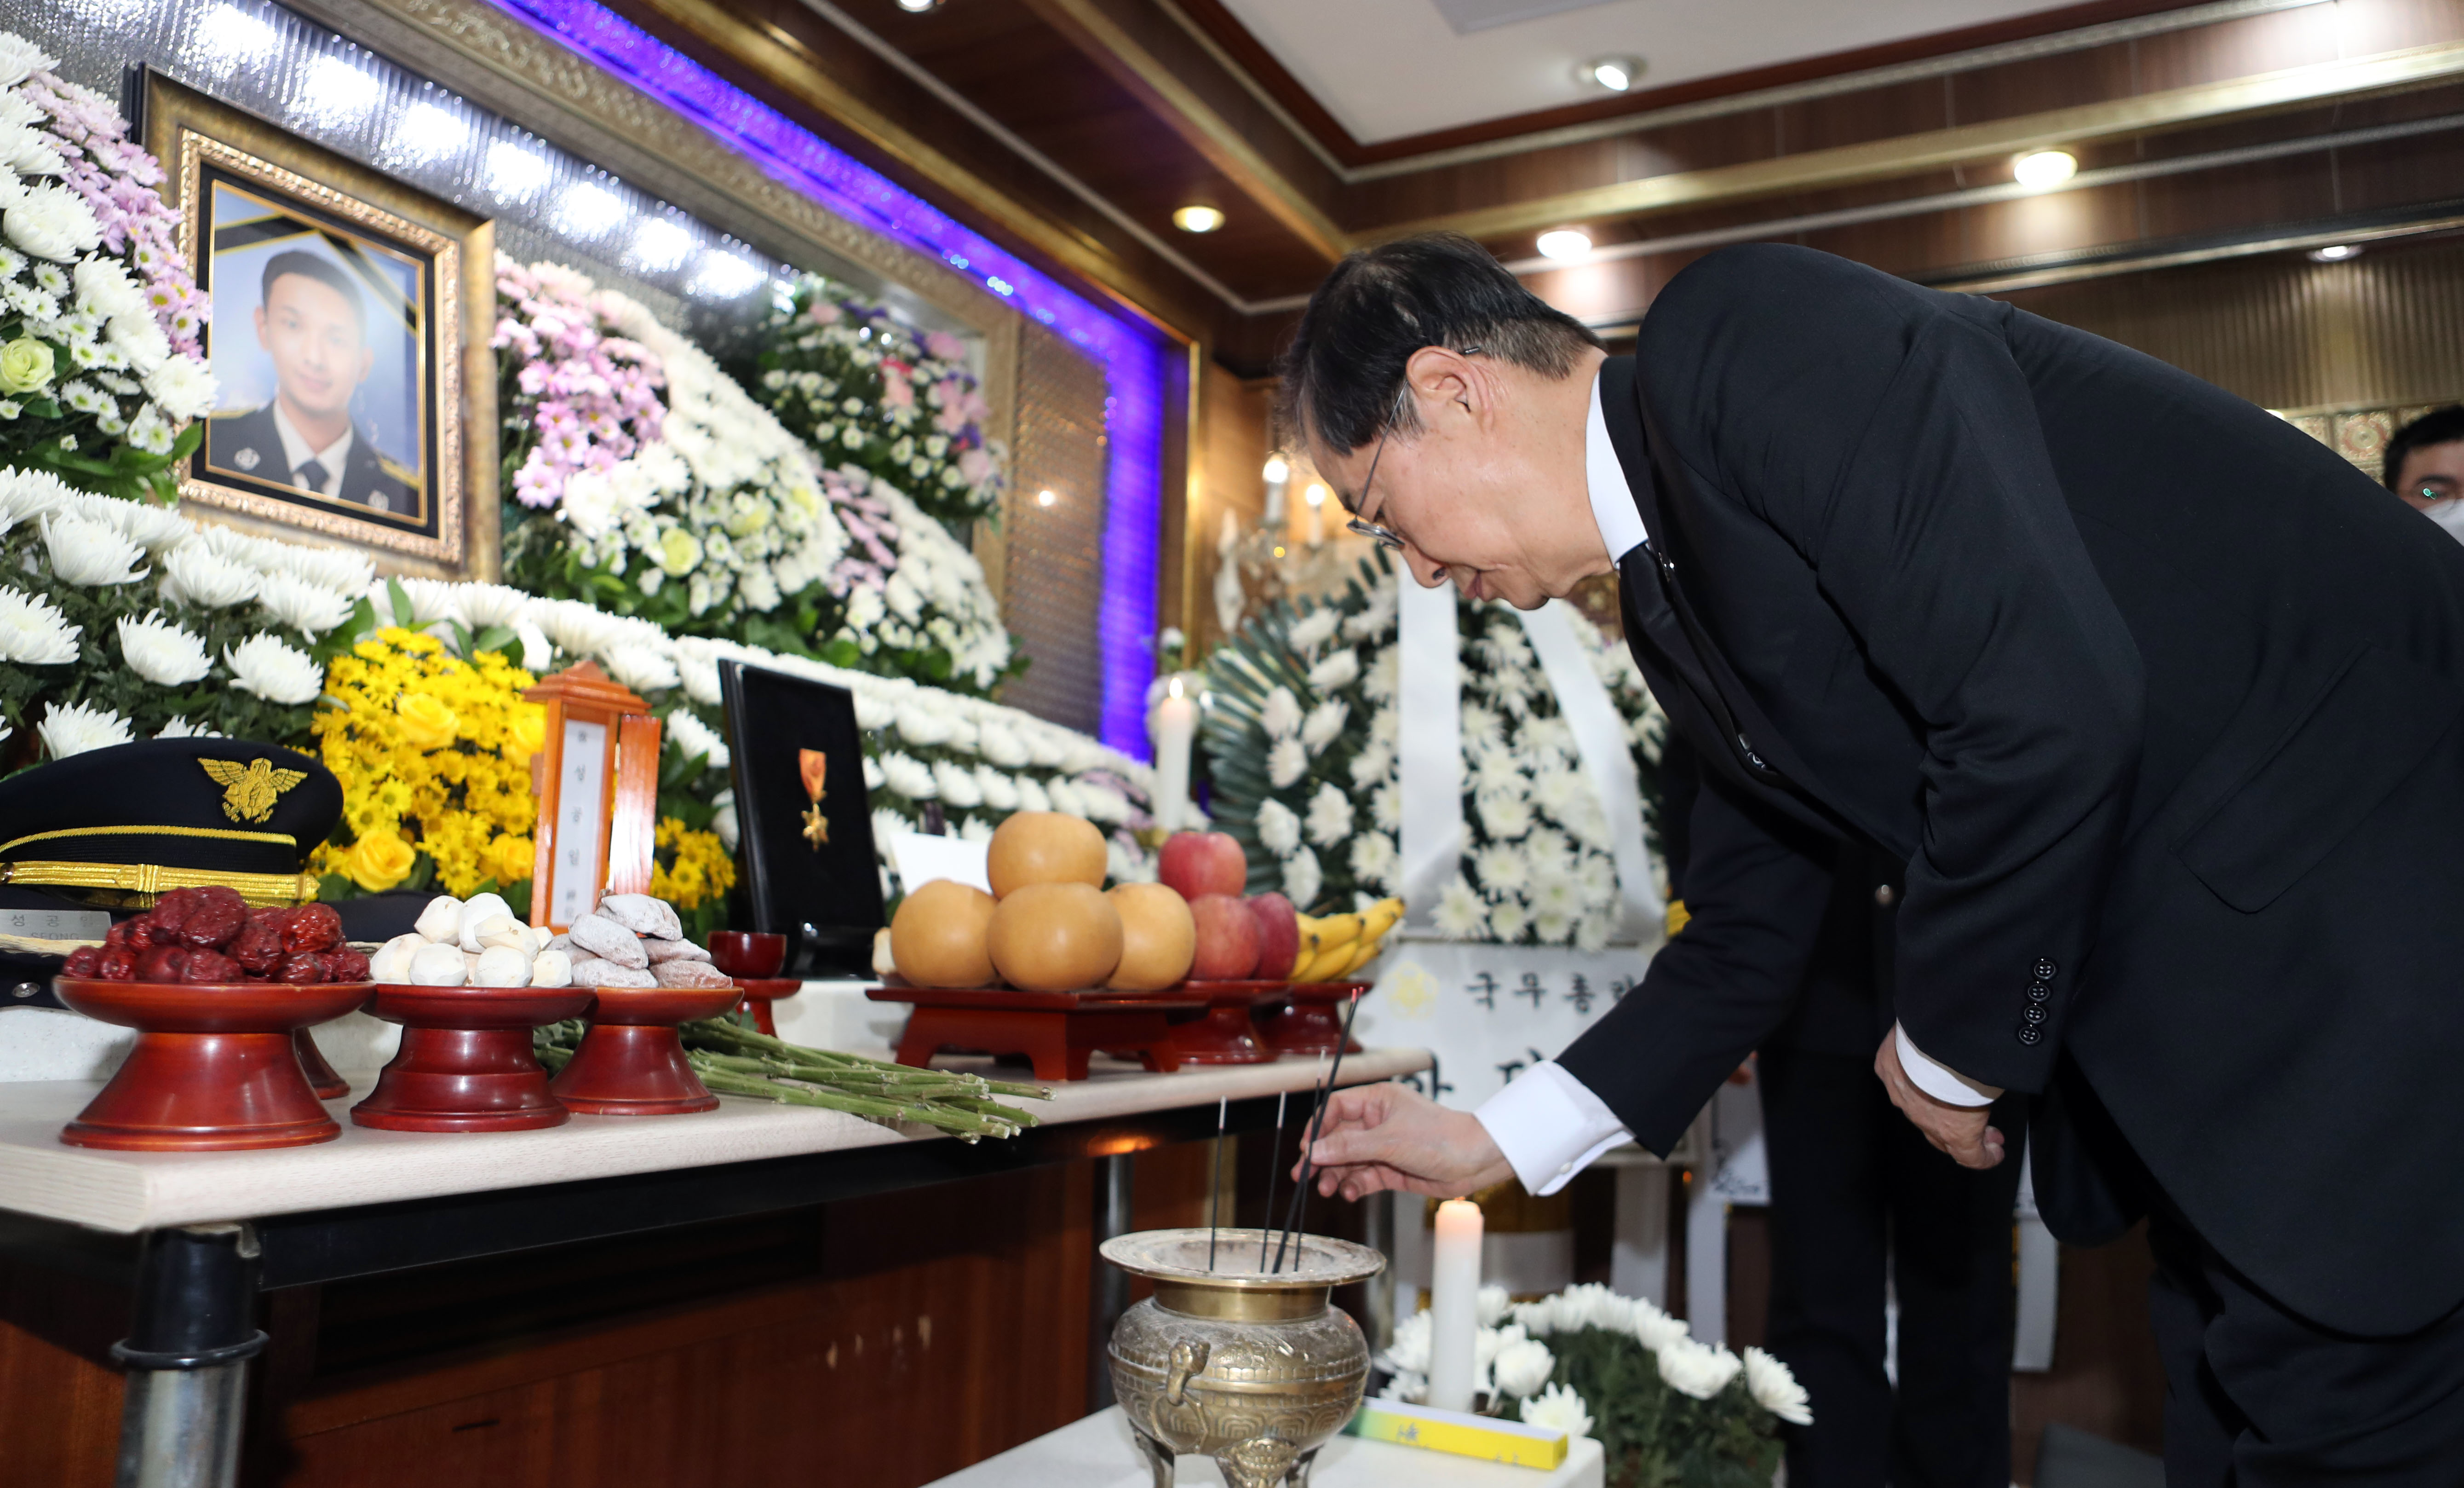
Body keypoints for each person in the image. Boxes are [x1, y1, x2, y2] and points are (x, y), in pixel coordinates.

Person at [1283, 234, 2464, 1481]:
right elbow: (1748, 931)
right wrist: (1492, 1139)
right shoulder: (1672, 603)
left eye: (1382, 514)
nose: (1415, 570)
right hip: (2232, 1059)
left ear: (1453, 391)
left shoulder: (1741, 335)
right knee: (2224, 1429)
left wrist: (1949, 1042)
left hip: (2364, 955)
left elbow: (2042, 698)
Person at [1651, 738, 2021, 1486]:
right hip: (1817, 991)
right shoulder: (1754, 622)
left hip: (1970, 1008)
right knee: (1820, 1294)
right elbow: (1697, 767)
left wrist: (2031, 1005)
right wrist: (1719, 986)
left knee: (1963, 1293)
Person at [204, 249, 416, 513]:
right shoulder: (209, 444)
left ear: (364, 363)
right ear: (264, 328)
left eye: (337, 340)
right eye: (293, 325)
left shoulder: (406, 496)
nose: (315, 358)